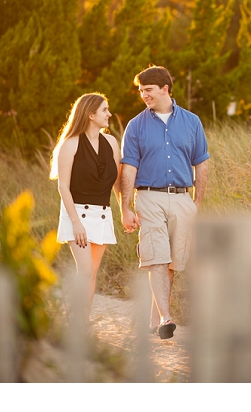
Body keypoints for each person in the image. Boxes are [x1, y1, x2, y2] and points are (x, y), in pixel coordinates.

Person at [119, 65, 210, 340]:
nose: (143, 95)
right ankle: (165, 317)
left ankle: (154, 316)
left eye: (147, 90)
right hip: (148, 197)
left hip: (183, 199)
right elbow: (129, 169)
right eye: (140, 91)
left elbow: (202, 164)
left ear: (165, 89)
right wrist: (125, 207)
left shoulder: (192, 122)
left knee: (171, 263)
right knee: (157, 257)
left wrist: (197, 203)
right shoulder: (135, 126)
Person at [50, 93, 121, 314]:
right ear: (91, 115)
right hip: (76, 214)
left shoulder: (111, 142)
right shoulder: (69, 145)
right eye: (104, 110)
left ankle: (81, 322)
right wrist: (76, 223)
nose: (109, 114)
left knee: (92, 272)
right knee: (87, 271)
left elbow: (117, 182)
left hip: (102, 214)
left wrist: (125, 210)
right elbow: (63, 187)